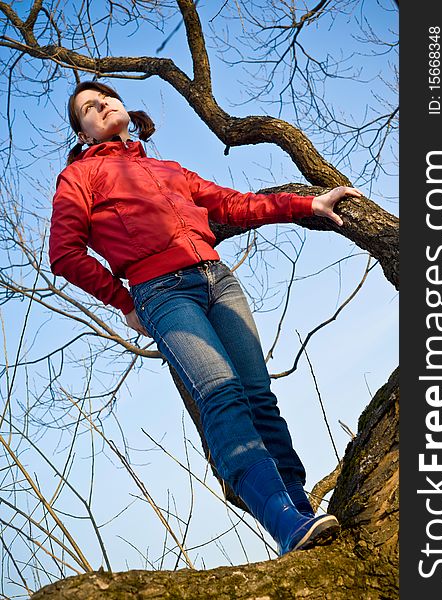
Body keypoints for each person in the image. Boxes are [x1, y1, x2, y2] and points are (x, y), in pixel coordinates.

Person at [49, 81, 362, 557]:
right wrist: (124, 301)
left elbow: (233, 203)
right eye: (88, 108)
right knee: (223, 397)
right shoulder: (79, 178)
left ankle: (303, 519)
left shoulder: (166, 169)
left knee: (261, 400)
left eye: (106, 97)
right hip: (161, 292)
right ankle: (283, 524)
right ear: (84, 133)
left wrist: (305, 205)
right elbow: (64, 252)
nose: (103, 105)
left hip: (219, 281)